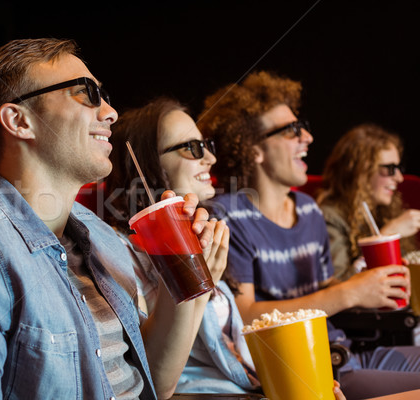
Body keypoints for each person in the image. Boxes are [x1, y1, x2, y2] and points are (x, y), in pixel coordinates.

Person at [0, 38, 224, 399]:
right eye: (87, 93)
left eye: (105, 94)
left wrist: (186, 277)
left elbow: (156, 386)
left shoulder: (102, 236)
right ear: (20, 121)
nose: (111, 112)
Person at [198, 70, 420, 399]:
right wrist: (349, 293)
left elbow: (324, 290)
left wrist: (369, 286)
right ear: (254, 149)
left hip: (344, 352)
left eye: (302, 128)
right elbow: (245, 316)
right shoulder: (227, 214)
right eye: (291, 131)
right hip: (306, 371)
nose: (308, 138)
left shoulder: (308, 209)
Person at [104, 97, 261, 395]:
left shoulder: (201, 233)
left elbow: (236, 352)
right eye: (192, 148)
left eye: (207, 146)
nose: (210, 159)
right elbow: (155, 383)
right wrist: (196, 285)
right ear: (150, 163)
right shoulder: (118, 254)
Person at [317, 123, 419, 280]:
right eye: (390, 168)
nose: (399, 178)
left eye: (399, 168)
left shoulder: (383, 210)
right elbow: (337, 287)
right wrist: (386, 238)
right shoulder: (329, 216)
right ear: (361, 171)